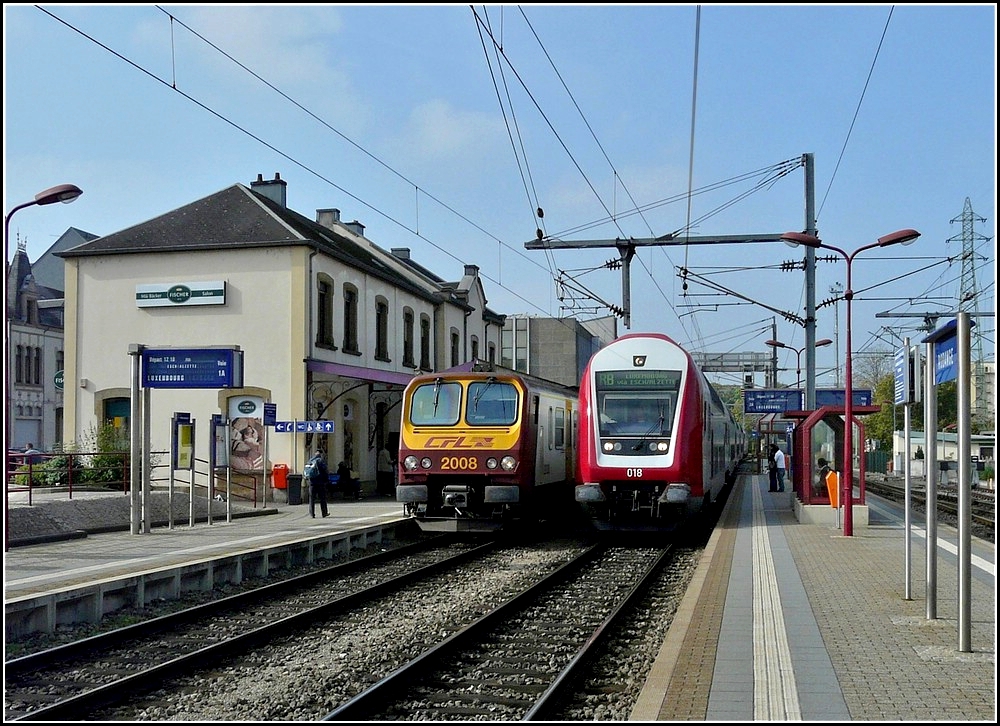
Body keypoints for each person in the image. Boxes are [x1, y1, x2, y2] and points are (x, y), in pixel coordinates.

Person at [305, 450, 330, 518]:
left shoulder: (310, 461)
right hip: (320, 483)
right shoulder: (320, 461)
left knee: (311, 499)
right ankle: (324, 513)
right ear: (320, 454)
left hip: (311, 483)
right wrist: (326, 480)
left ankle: (312, 514)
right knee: (322, 498)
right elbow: (325, 471)